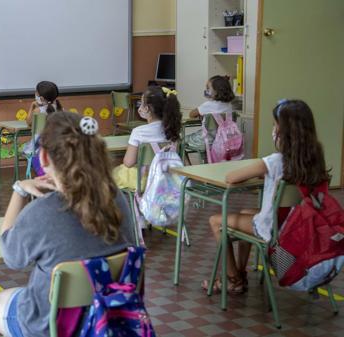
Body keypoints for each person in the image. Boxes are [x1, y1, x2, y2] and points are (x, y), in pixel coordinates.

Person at [0, 112, 137, 337]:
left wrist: (19, 189)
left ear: (44, 158)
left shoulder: (42, 211)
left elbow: (11, 257)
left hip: (49, 324)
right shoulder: (118, 198)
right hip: (108, 315)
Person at [203, 99, 330, 294]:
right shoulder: (316, 157)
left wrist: (261, 170)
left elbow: (231, 177)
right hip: (300, 224)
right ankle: (241, 272)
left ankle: (232, 279)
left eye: (274, 125)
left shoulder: (274, 161)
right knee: (246, 212)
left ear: (284, 132)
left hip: (274, 229)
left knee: (215, 221)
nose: (273, 130)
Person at [122, 86, 182, 168]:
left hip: (146, 179)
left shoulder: (138, 132)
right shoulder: (174, 128)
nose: (139, 108)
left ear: (147, 109)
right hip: (171, 178)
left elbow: (128, 163)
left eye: (141, 104)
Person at [185, 75, 235, 151]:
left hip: (208, 141)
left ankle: (188, 163)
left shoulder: (208, 105)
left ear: (216, 91)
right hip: (225, 140)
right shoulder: (229, 106)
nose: (206, 90)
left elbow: (191, 114)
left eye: (208, 88)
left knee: (182, 140)